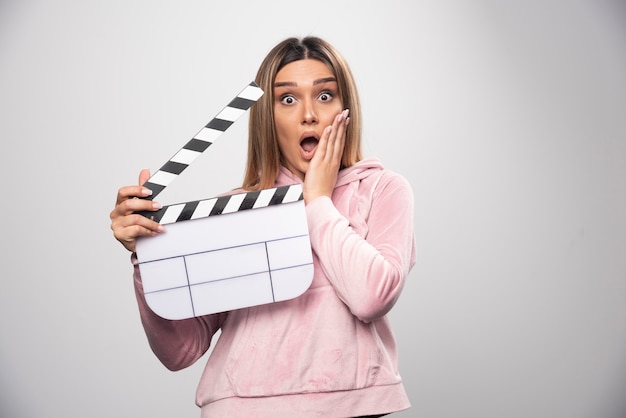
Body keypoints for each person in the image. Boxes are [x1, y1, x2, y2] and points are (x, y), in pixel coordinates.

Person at [110, 36, 416, 418]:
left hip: (352, 405)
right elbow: (180, 350)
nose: (309, 114)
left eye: (325, 96)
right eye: (287, 99)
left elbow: (372, 297)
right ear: (267, 118)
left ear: (346, 108)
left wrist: (317, 201)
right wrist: (147, 256)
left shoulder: (382, 190)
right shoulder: (235, 211)